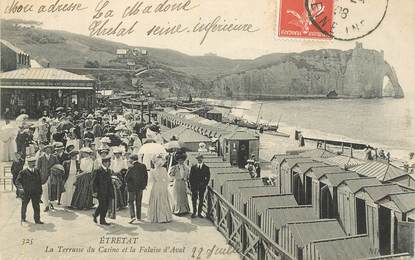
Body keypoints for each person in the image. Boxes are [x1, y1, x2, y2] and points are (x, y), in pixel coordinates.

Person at [15, 156, 44, 224]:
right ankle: (23, 218)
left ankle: (37, 220)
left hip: (35, 193)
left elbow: (39, 182)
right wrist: (21, 189)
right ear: (28, 163)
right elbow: (17, 182)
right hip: (26, 193)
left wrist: (40, 191)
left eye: (34, 162)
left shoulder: (37, 171)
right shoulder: (23, 172)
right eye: (31, 162)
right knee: (24, 206)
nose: (33, 164)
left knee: (36, 206)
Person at [148, 154, 172, 223]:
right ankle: (164, 216)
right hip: (161, 185)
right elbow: (167, 179)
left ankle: (158, 216)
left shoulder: (152, 171)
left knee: (157, 199)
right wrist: (165, 184)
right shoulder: (163, 169)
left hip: (156, 186)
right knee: (162, 200)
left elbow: (150, 181)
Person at [125, 154, 148, 224]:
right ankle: (139, 217)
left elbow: (126, 178)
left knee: (130, 202)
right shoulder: (143, 166)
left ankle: (132, 216)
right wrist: (144, 185)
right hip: (140, 187)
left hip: (131, 188)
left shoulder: (130, 167)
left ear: (132, 159)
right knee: (138, 202)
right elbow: (146, 176)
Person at [92, 155, 114, 225]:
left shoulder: (109, 171)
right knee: (103, 206)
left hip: (107, 192)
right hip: (100, 192)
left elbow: (109, 183)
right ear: (104, 163)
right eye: (108, 162)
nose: (109, 163)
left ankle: (95, 215)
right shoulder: (98, 171)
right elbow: (94, 182)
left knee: (104, 205)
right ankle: (102, 220)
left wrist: (112, 192)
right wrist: (94, 191)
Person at [36, 144, 58, 212]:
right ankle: (46, 206)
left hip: (52, 176)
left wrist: (55, 173)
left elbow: (57, 165)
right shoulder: (41, 158)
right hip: (43, 177)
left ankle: (51, 203)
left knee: (52, 191)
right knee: (45, 191)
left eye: (50, 149)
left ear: (51, 150)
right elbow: (38, 168)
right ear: (44, 150)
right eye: (47, 150)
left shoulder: (54, 157)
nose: (48, 151)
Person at [168, 151, 190, 215]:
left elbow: (188, 174)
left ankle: (184, 210)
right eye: (180, 160)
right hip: (177, 182)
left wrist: (185, 178)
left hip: (183, 183)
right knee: (177, 196)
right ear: (177, 160)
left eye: (182, 160)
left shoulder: (186, 167)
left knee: (183, 196)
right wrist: (175, 177)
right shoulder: (174, 167)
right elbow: (170, 174)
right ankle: (177, 210)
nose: (181, 161)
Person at [189, 154, 210, 218]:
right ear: (197, 160)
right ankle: (194, 212)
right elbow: (190, 178)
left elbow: (208, 177)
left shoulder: (206, 168)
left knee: (201, 199)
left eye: (200, 159)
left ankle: (199, 213)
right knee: (194, 200)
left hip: (202, 187)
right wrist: (191, 186)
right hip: (194, 186)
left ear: (202, 159)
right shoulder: (193, 167)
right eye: (198, 159)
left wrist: (205, 184)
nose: (199, 160)